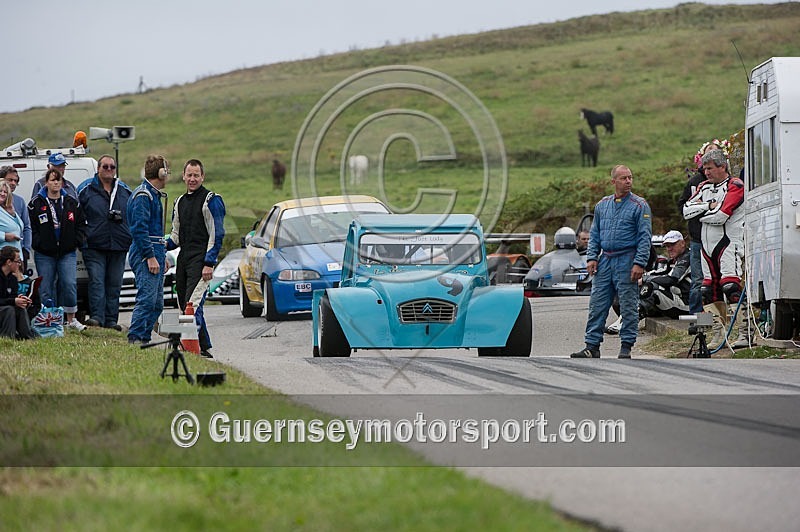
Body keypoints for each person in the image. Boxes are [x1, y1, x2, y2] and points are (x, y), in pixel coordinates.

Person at [569, 164, 652, 359]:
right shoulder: (602, 205)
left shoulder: (640, 206)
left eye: (630, 177)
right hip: (605, 259)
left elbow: (644, 236)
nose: (628, 181)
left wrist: (639, 263)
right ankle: (592, 346)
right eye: (624, 178)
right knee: (597, 304)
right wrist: (591, 257)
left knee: (628, 305)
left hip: (627, 259)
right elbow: (595, 234)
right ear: (613, 181)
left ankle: (626, 346)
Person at [682, 148, 746, 345]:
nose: (706, 172)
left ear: (722, 167)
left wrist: (702, 212)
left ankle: (745, 333)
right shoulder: (703, 186)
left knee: (731, 287)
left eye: (710, 168)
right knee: (706, 290)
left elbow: (721, 216)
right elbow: (686, 210)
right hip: (705, 246)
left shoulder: (735, 185)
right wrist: (707, 207)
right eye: (704, 168)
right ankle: (718, 334)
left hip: (728, 244)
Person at [167, 159, 225, 359]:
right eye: (189, 175)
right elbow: (175, 236)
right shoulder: (179, 202)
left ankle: (191, 351)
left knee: (192, 305)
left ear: (202, 177)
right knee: (185, 305)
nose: (192, 179)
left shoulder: (212, 200)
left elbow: (217, 234)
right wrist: (159, 247)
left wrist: (209, 263)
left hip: (201, 260)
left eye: (196, 175)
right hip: (183, 259)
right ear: (183, 176)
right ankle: (204, 346)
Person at [77, 155, 132, 331]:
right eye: (105, 167)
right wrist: (82, 236)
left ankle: (111, 320)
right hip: (94, 245)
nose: (109, 170)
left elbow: (133, 215)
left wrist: (128, 235)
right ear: (98, 169)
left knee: (114, 284)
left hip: (118, 245)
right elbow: (75, 214)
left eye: (112, 167)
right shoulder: (85, 189)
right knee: (97, 282)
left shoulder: (125, 190)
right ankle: (97, 318)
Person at [28, 168, 87, 331]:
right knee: (46, 287)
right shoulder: (36, 203)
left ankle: (71, 319)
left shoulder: (70, 202)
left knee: (69, 283)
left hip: (66, 252)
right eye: (52, 180)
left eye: (58, 180)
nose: (56, 183)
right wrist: (38, 243)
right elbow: (31, 227)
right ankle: (51, 320)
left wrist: (76, 240)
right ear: (46, 182)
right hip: (45, 253)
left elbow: (81, 223)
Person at [677, 139, 727, 315]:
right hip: (698, 238)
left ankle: (723, 317)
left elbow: (726, 209)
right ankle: (698, 317)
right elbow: (684, 206)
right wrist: (704, 208)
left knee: (724, 279)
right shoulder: (696, 182)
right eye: (707, 152)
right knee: (699, 279)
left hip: (722, 239)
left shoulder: (730, 182)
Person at [127, 155, 170, 345]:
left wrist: (163, 255)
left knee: (157, 302)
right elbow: (139, 229)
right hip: (146, 250)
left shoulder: (152, 195)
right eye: (166, 170)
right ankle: (135, 337)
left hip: (156, 249)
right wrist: (150, 256)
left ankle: (144, 338)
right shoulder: (143, 196)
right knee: (147, 298)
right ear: (161, 173)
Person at [0, 166, 32, 271]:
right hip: (3, 257)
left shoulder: (19, 201)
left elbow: (26, 227)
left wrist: (26, 249)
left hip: (18, 255)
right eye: (10, 180)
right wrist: (4, 236)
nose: (13, 183)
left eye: (16, 181)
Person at [0, 246, 35, 339]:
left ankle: (28, 337)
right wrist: (13, 301)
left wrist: (20, 299)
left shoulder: (12, 279)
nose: (19, 264)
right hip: (4, 310)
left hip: (5, 308)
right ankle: (8, 338)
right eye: (18, 261)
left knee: (20, 309)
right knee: (9, 310)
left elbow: (11, 298)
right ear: (8, 262)